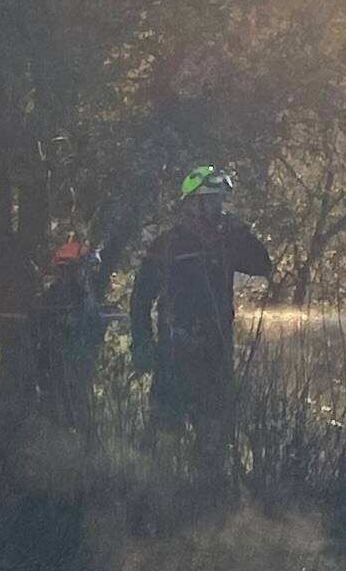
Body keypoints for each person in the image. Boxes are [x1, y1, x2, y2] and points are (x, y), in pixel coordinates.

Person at [125, 168, 272, 473]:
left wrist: (241, 233)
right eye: (211, 200)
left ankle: (205, 508)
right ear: (192, 203)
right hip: (174, 356)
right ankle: (157, 506)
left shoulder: (227, 242)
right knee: (164, 442)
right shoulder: (167, 245)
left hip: (215, 357)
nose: (219, 207)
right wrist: (141, 343)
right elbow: (140, 299)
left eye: (220, 199)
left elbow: (262, 265)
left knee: (213, 445)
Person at [14, 235, 106, 438]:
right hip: (55, 367)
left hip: (78, 366)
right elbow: (36, 333)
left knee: (81, 411)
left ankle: (83, 450)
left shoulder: (85, 298)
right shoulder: (52, 299)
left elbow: (95, 328)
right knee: (59, 412)